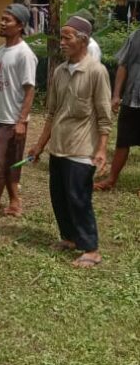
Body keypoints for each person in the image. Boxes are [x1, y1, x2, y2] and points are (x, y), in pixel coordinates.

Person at [29, 15, 112, 267]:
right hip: (59, 147)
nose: (62, 42)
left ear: (83, 41)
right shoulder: (59, 71)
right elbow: (52, 113)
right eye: (61, 37)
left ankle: (91, 249)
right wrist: (40, 144)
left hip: (82, 148)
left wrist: (102, 149)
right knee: (59, 196)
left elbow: (104, 116)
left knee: (78, 198)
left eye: (68, 37)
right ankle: (70, 238)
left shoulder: (96, 72)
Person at [0, 4, 38, 226]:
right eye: (1, 19)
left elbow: (30, 90)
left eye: (7, 20)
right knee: (9, 163)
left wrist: (21, 122)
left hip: (13, 121)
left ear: (20, 26)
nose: (1, 23)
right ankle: (14, 202)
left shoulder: (25, 54)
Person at [94, 24, 140, 192]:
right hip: (131, 98)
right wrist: (116, 95)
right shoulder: (135, 36)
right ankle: (111, 179)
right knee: (123, 140)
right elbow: (123, 65)